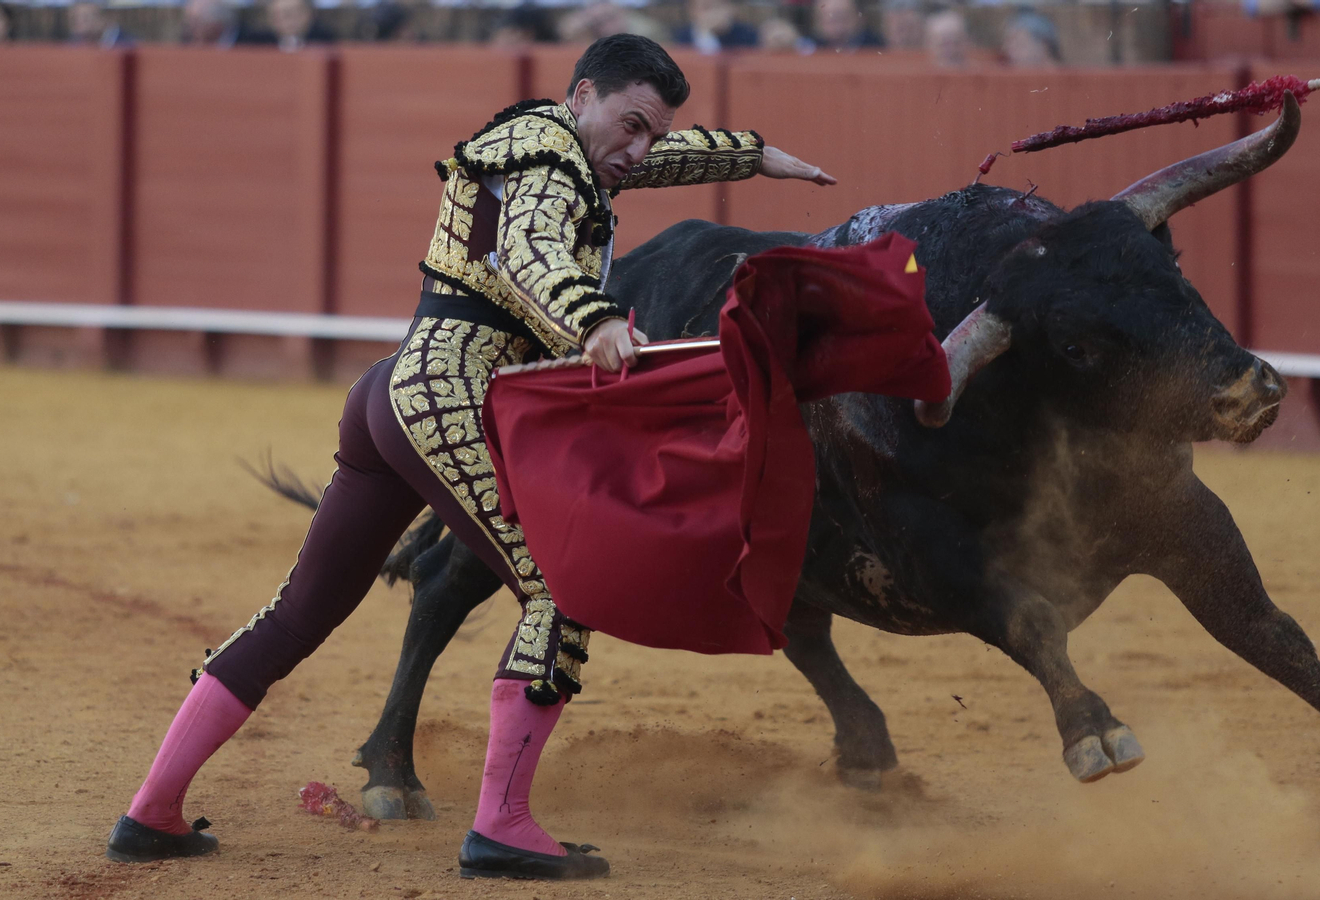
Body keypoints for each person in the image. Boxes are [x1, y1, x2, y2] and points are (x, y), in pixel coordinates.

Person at [105, 34, 835, 881]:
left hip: (393, 393)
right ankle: (503, 826)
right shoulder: (552, 161)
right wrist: (591, 317)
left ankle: (151, 810)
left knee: (299, 612)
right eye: (630, 124)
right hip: (451, 394)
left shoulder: (555, 140)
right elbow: (530, 250)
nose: (638, 149)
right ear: (583, 95)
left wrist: (758, 157)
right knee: (562, 592)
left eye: (652, 132)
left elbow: (653, 156)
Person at [672, 0, 758, 54]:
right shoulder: (682, 37)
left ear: (731, 8)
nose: (713, 13)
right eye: (706, 7)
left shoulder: (747, 34)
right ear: (692, 10)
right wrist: (705, 33)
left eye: (719, 6)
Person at [264, 0, 334, 51]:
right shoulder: (258, 43)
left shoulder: (327, 41)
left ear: (309, 14)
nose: (288, 20)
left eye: (292, 13)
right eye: (278, 15)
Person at [812, 0, 882, 50]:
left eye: (841, 17)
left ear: (859, 17)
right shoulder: (809, 49)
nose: (836, 26)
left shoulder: (877, 47)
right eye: (827, 17)